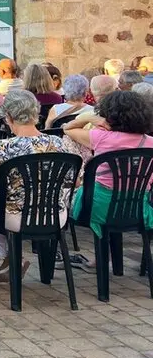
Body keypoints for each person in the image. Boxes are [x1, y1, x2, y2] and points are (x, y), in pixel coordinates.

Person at [0, 90, 78, 283]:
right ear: (36, 114)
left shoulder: (4, 147)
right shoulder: (59, 144)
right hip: (55, 216)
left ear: (9, 117)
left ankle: (11, 256)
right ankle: (14, 259)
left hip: (15, 218)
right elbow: (74, 181)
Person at [65, 90, 153, 266]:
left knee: (64, 196)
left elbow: (67, 128)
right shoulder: (150, 142)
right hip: (139, 209)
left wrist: (91, 118)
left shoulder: (100, 137)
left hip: (97, 207)